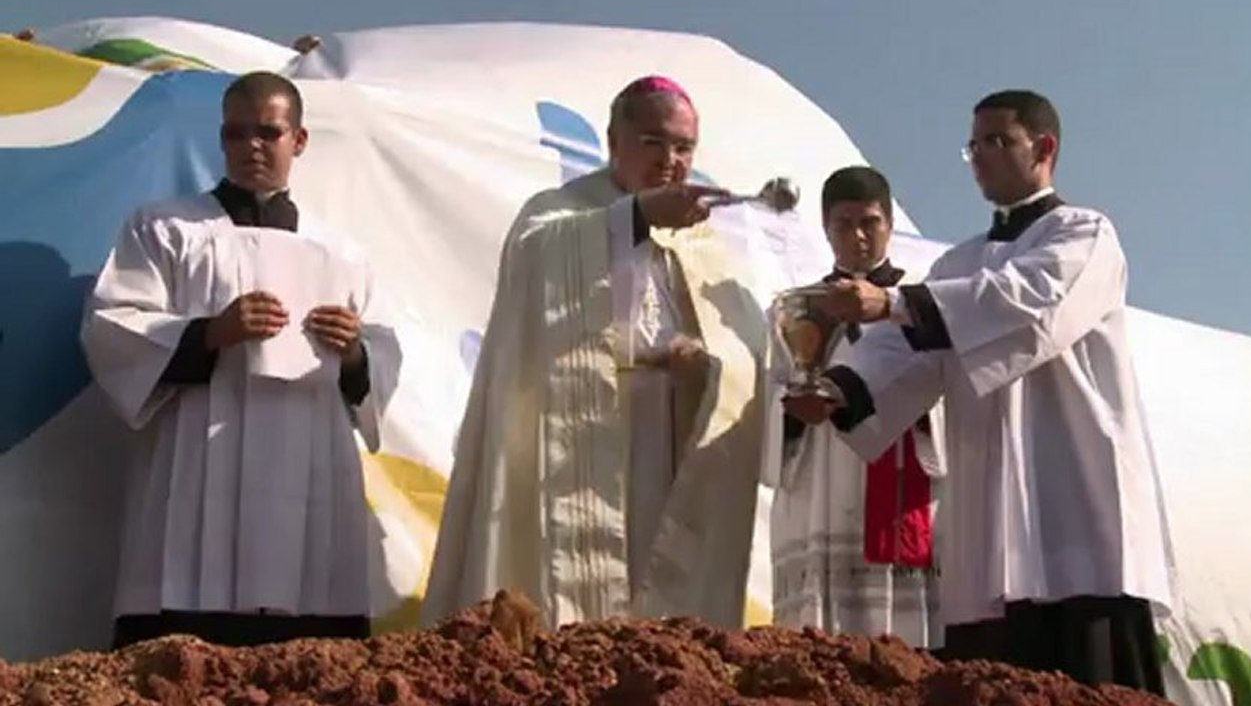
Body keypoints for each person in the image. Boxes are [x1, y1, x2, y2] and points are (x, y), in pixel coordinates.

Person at [788, 89, 1175, 695]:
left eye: (997, 141)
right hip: (992, 516)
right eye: (973, 145)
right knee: (994, 675)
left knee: (1093, 676)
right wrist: (837, 389)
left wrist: (892, 302)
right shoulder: (956, 264)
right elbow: (910, 350)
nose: (980, 157)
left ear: (1044, 148)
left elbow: (1026, 304)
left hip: (1076, 498)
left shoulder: (1084, 235)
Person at [422, 75, 768, 629]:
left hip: (668, 429)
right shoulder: (558, 212)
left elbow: (744, 346)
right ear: (614, 140)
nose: (670, 160)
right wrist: (636, 218)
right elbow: (537, 265)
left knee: (656, 586)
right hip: (582, 425)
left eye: (684, 147)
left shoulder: (702, 238)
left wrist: (705, 364)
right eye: (653, 141)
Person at [82, 72, 401, 649]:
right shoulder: (166, 229)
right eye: (236, 133)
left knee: (310, 643)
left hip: (310, 455)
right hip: (201, 451)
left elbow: (383, 351)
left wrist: (355, 351)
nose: (252, 145)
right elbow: (112, 327)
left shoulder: (340, 252)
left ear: (298, 140)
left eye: (268, 132)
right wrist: (209, 332)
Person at [766, 166, 943, 646]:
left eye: (870, 222)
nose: (858, 236)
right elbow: (775, 387)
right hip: (822, 471)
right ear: (826, 229)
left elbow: (942, 383)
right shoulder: (799, 308)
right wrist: (791, 414)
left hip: (901, 466)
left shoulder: (923, 304)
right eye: (844, 224)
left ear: (889, 223)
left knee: (902, 640)